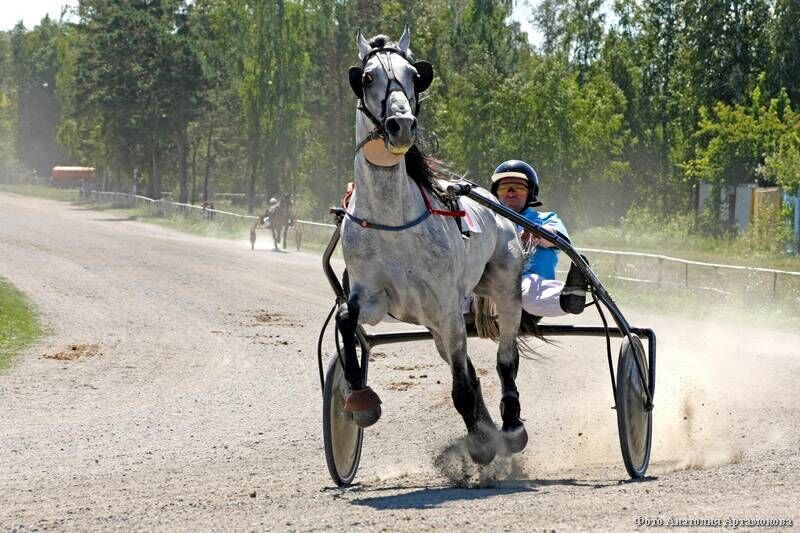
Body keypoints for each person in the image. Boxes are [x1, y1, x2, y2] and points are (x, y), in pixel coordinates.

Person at [487, 159, 589, 317]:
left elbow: (560, 239)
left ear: (530, 192)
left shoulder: (544, 219)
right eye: (504, 187)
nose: (511, 193)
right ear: (496, 192)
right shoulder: (486, 220)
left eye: (519, 188)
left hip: (526, 295)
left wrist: (537, 233)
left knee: (527, 287)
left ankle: (569, 298)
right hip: (487, 287)